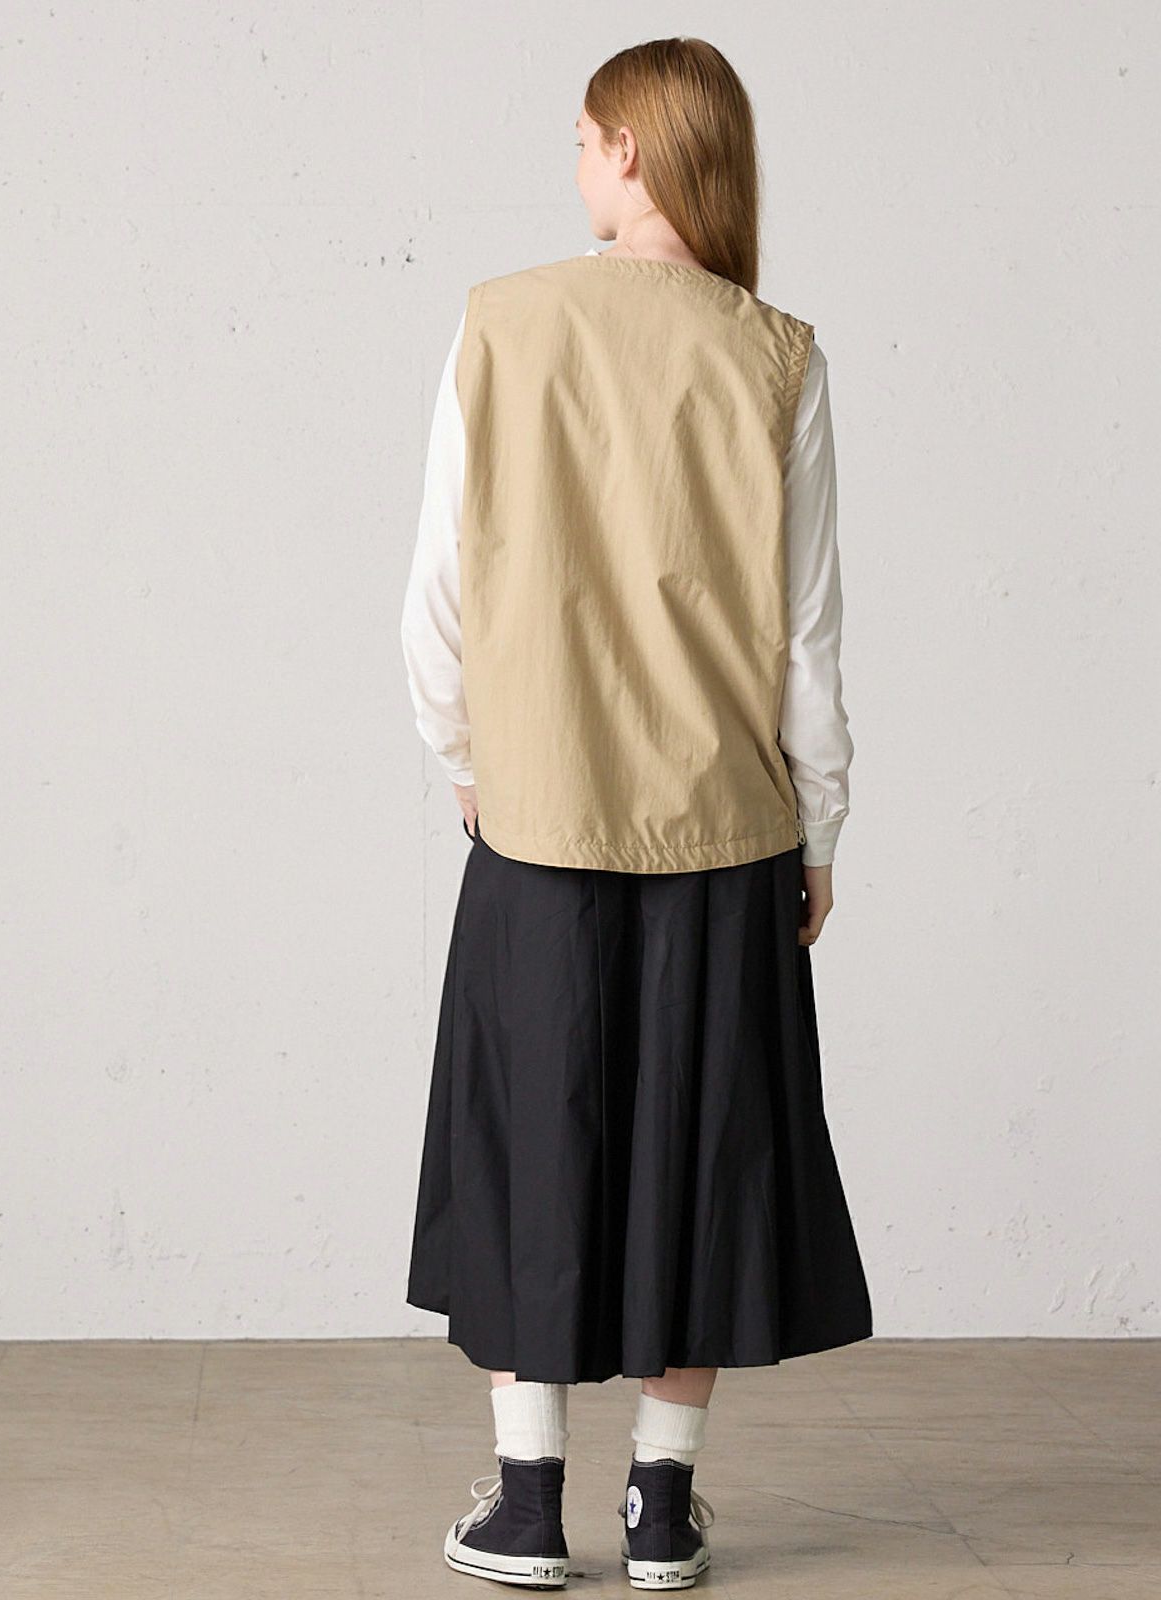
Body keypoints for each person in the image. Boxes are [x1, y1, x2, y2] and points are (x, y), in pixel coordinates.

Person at [399, 36, 873, 1592]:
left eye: (584, 139)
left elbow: (440, 589)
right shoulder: (778, 355)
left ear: (629, 150)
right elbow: (805, 638)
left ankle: (528, 1503)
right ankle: (660, 1508)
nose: (577, 163)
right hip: (725, 825)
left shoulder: (501, 320)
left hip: (538, 815)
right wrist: (819, 828)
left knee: (528, 1140)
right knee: (707, 1155)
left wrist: (464, 753)